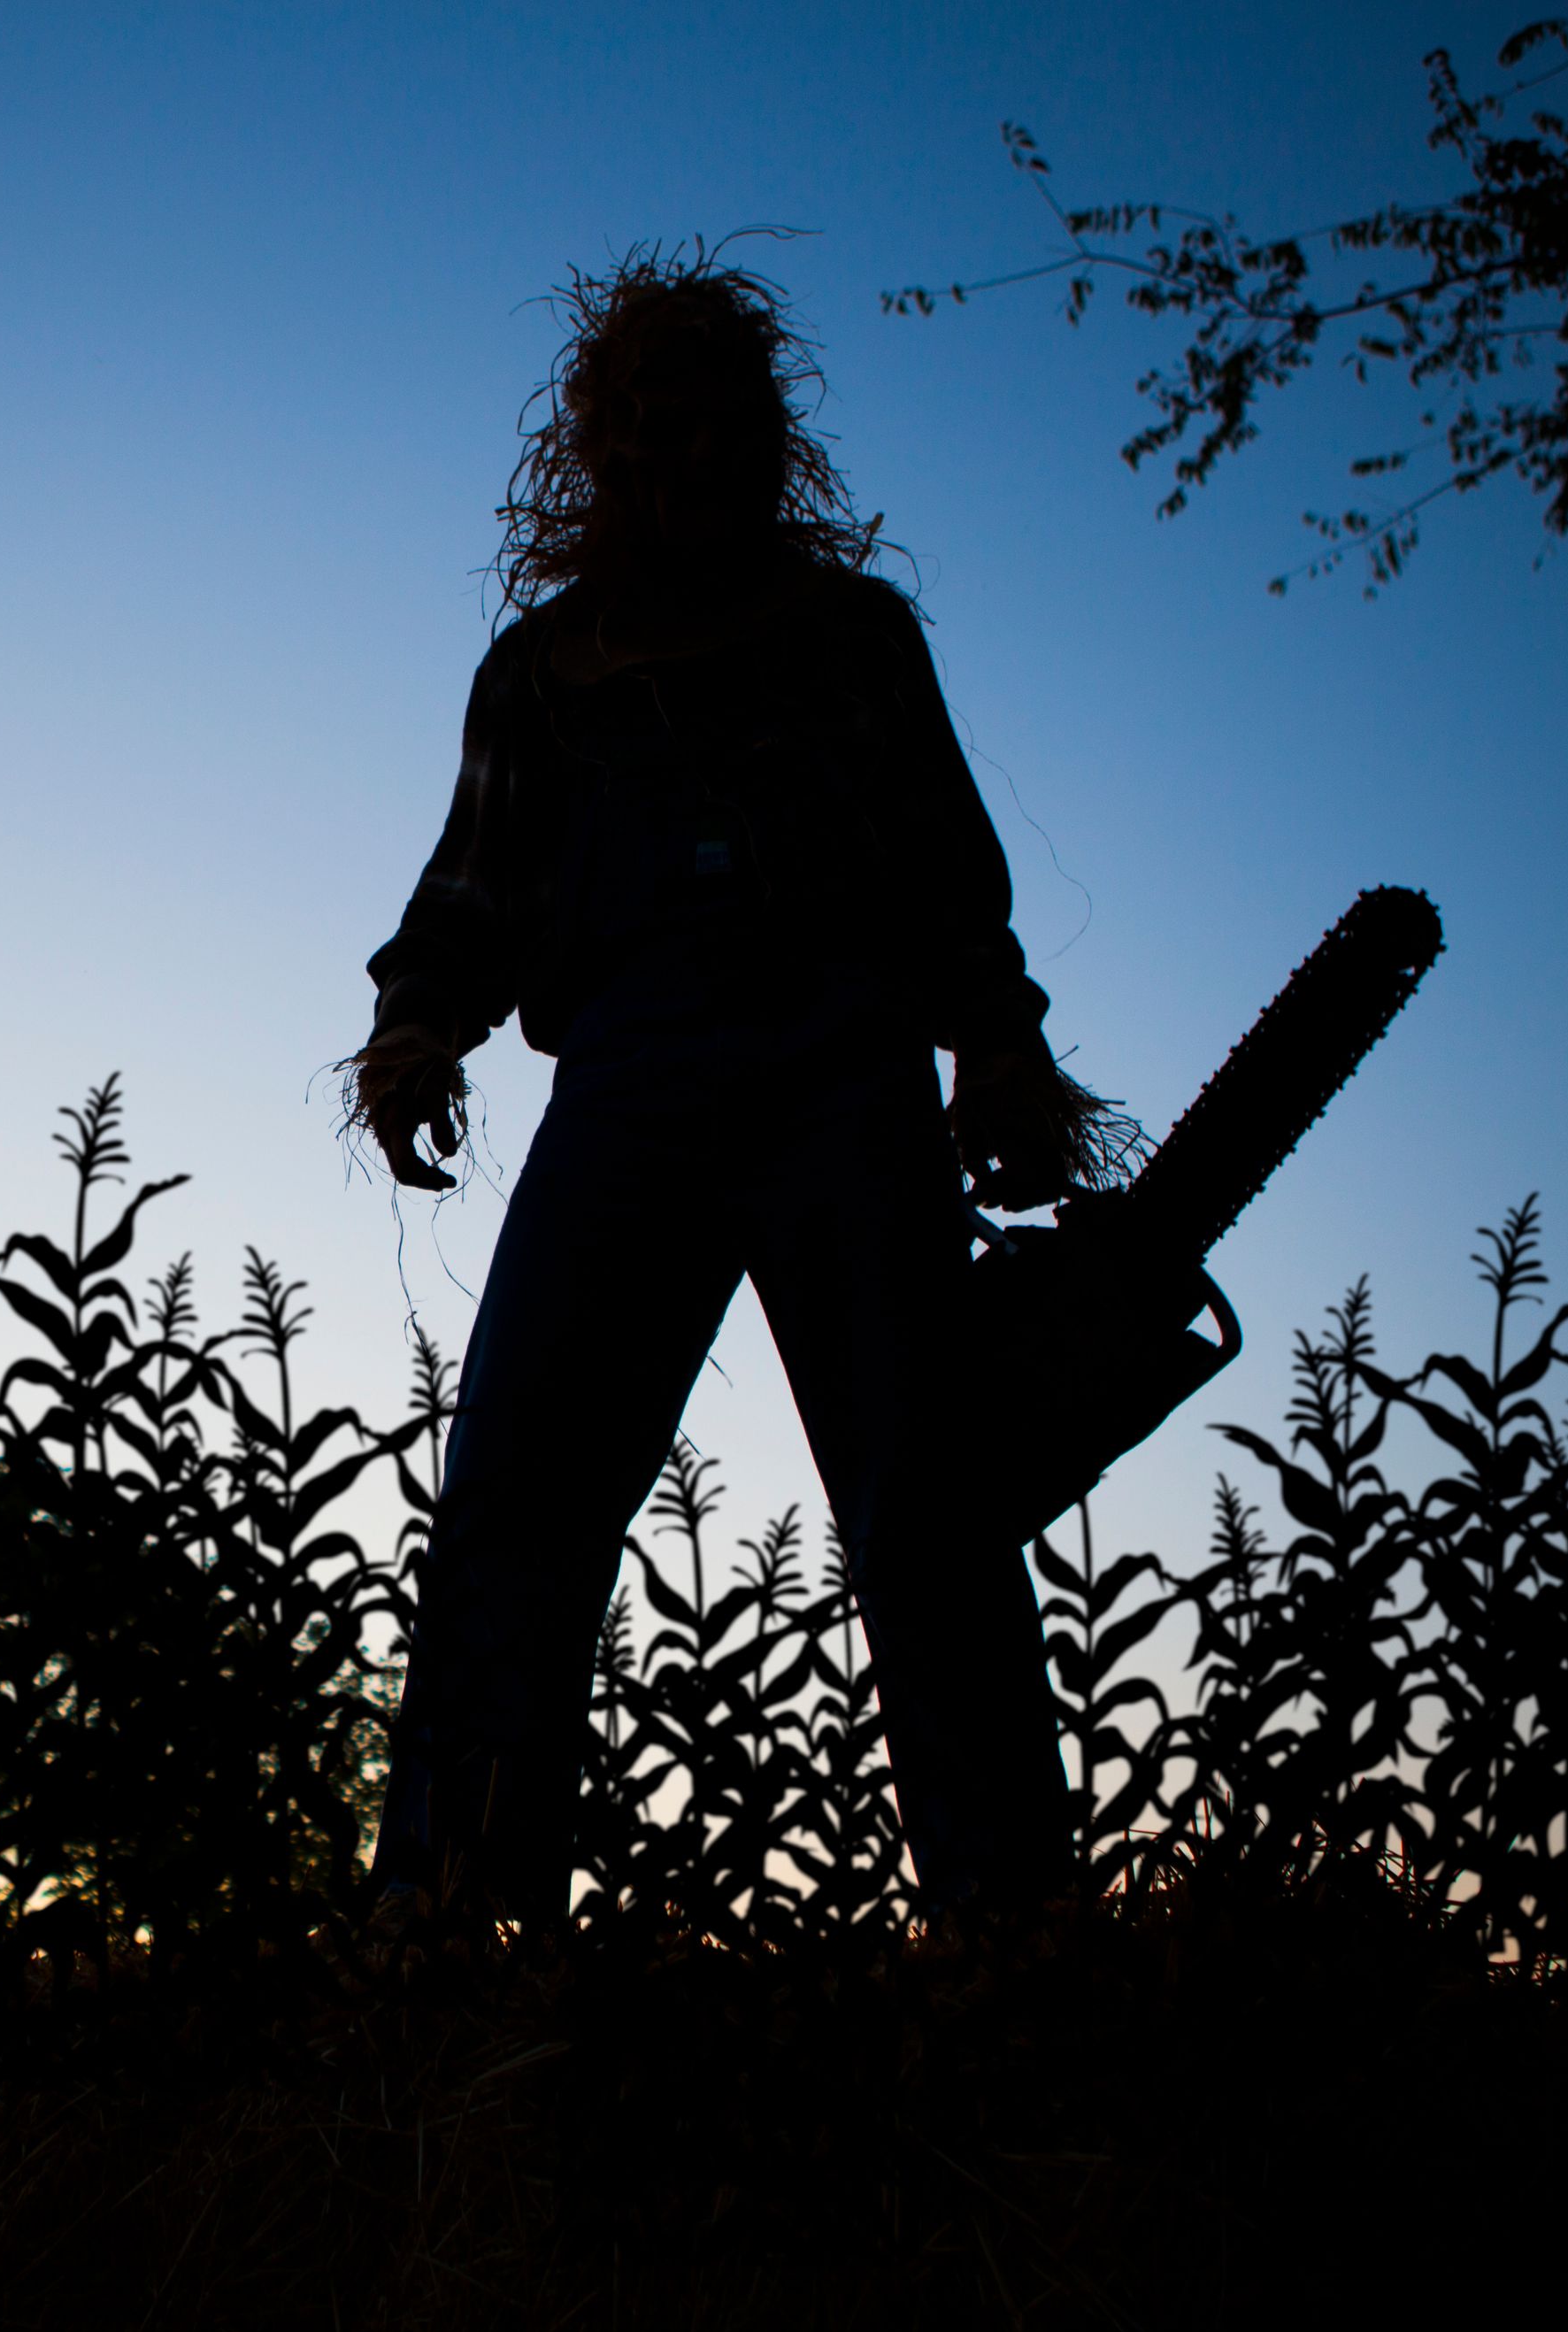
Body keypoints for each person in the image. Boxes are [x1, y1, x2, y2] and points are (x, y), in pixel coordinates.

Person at [350, 250, 1103, 1921]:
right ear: (596, 449)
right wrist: (416, 1029)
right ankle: (449, 1974)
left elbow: (946, 876)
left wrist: (999, 1040)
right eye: (644, 430)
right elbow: (470, 891)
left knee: (931, 1522)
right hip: (623, 1085)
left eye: (707, 428)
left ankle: (1019, 1967)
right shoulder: (543, 673)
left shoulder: (852, 639)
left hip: (847, 1073)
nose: (675, 460)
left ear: (762, 441)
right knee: (516, 1510)